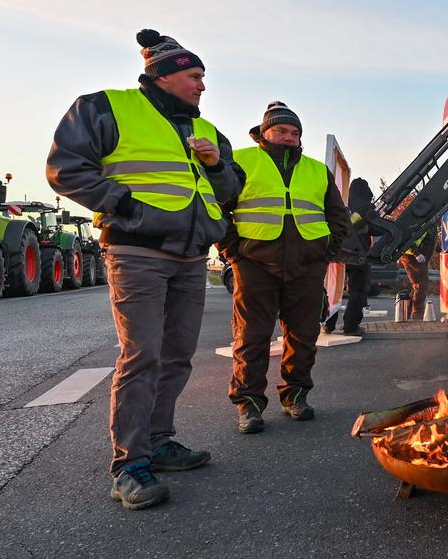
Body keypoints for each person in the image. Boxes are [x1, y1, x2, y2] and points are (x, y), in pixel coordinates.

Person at [47, 29, 243, 510]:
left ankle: (158, 442)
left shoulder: (208, 133)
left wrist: (217, 166)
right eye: (195, 76)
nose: (202, 87)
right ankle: (128, 466)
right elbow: (65, 168)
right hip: (138, 253)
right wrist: (128, 207)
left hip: (192, 257)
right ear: (166, 74)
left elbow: (230, 190)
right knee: (142, 357)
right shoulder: (105, 107)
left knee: (177, 356)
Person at [220, 101, 350, 434]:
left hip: (306, 266)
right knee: (251, 338)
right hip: (254, 264)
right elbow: (218, 208)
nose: (289, 137)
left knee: (304, 336)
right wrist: (232, 251)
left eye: (294, 132)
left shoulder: (315, 170)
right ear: (263, 132)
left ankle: (296, 396)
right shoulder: (240, 161)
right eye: (281, 130)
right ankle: (248, 405)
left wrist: (325, 253)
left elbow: (337, 215)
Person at [323, 177, 376, 335]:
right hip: (359, 255)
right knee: (357, 291)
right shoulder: (367, 207)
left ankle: (328, 323)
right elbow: (376, 229)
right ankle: (351, 325)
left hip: (338, 253)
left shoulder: (342, 204)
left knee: (333, 289)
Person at [397, 230, 437, 321]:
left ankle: (408, 312)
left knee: (417, 285)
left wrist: (440, 248)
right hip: (412, 255)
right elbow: (408, 236)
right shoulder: (424, 220)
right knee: (421, 284)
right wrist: (416, 253)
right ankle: (417, 313)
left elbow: (430, 241)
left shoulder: (430, 222)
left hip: (411, 254)